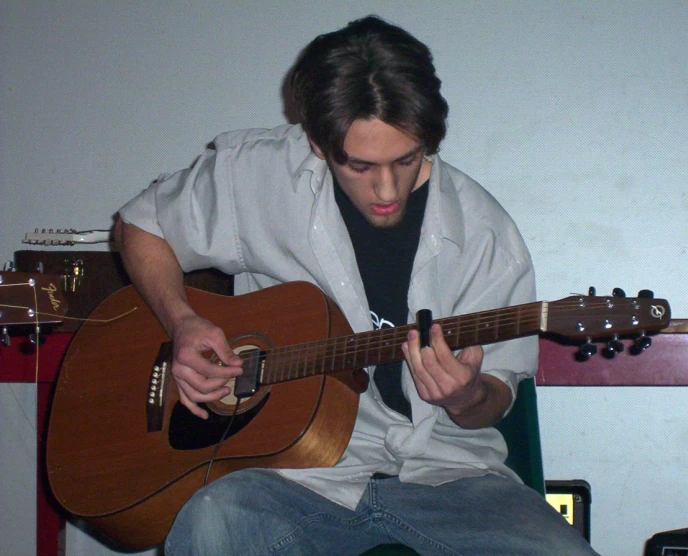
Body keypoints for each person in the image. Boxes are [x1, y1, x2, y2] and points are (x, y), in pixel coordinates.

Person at [116, 15, 598, 556]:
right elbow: (142, 226)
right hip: (290, 477)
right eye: (361, 165)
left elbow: (496, 398)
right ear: (320, 144)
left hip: (448, 478)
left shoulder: (485, 234)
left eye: (407, 159)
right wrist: (181, 320)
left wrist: (467, 396)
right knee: (211, 521)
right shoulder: (255, 175)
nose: (387, 188)